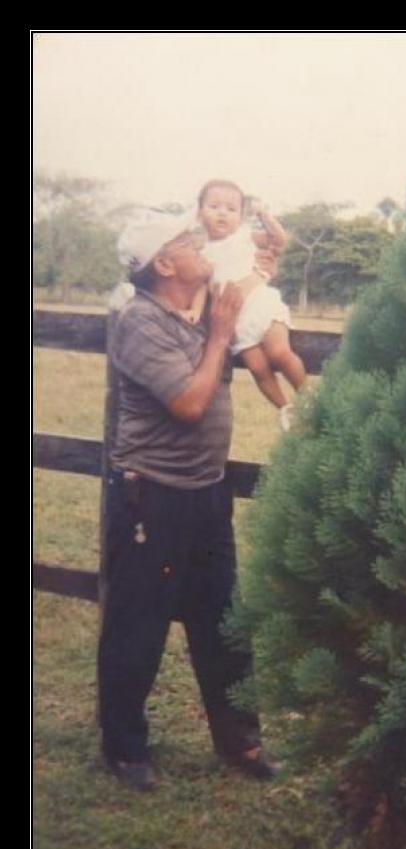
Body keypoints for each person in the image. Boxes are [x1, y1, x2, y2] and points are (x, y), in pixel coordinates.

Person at [97, 209, 276, 791]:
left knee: (224, 623)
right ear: (164, 264)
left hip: (205, 494)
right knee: (137, 626)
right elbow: (189, 404)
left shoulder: (200, 304)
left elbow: (243, 282)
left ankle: (240, 741)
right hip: (151, 497)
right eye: (186, 241)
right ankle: (125, 751)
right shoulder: (139, 322)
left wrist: (262, 263)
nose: (201, 243)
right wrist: (221, 337)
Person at [191, 179, 307, 431]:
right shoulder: (199, 253)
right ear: (200, 213)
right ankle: (285, 408)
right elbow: (202, 288)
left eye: (231, 209)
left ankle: (309, 398)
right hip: (235, 320)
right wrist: (195, 310)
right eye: (214, 206)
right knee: (257, 368)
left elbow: (279, 238)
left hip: (260, 305)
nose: (223, 212)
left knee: (278, 353)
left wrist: (263, 214)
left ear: (241, 216)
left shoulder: (245, 237)